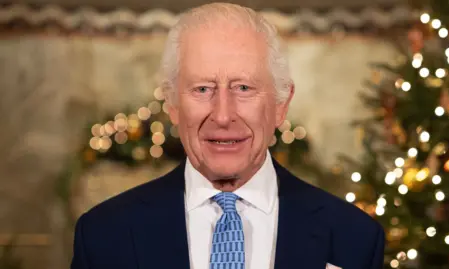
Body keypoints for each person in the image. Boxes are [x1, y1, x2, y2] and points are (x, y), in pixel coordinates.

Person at [70, 2, 385, 269]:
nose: (222, 115)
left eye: (244, 88)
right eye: (203, 89)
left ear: (280, 104)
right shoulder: (103, 236)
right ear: (173, 105)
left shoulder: (353, 239)